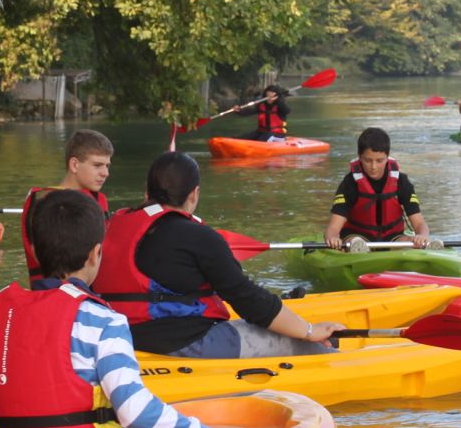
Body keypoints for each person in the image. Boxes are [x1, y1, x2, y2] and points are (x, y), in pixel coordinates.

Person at [0, 189, 253, 428]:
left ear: (34, 250)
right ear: (95, 253)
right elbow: (136, 413)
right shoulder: (104, 320)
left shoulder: (8, 319)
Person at [95, 151, 344, 357]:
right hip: (183, 343)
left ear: (146, 192)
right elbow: (248, 300)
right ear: (194, 193)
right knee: (314, 347)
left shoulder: (109, 226)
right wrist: (309, 331)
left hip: (120, 337)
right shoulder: (199, 236)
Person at [20, 129, 113, 283]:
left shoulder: (98, 199)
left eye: (107, 166)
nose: (105, 173)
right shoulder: (42, 201)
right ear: (74, 164)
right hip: (55, 289)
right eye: (97, 165)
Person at [324, 127, 432, 251]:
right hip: (356, 237)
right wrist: (332, 238)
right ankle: (359, 250)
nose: (374, 167)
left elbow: (419, 223)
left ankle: (428, 248)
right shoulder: (349, 183)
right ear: (359, 156)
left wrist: (422, 236)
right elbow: (333, 227)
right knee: (355, 242)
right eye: (368, 160)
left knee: (411, 242)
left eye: (380, 161)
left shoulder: (401, 182)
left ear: (387, 157)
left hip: (393, 239)